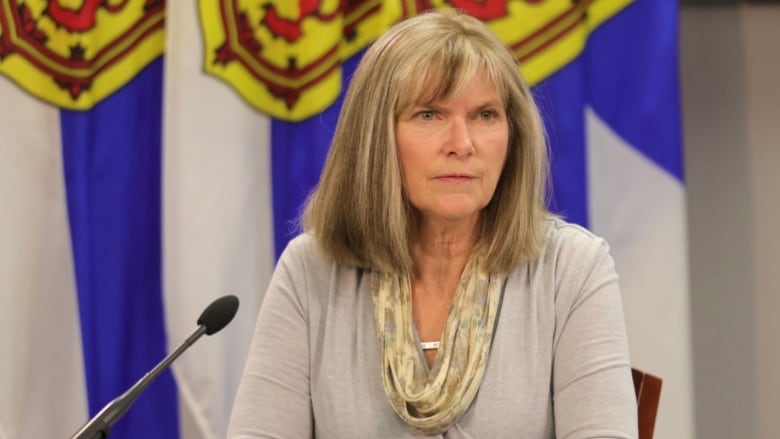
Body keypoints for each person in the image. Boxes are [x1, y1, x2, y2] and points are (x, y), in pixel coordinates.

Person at [227, 9, 637, 439]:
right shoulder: (311, 272)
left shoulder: (571, 269)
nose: (462, 144)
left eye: (484, 115)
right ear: (376, 138)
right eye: (429, 115)